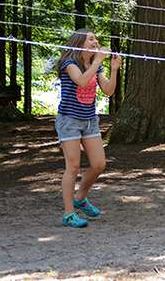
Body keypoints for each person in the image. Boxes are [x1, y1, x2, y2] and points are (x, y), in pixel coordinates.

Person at [55, 29, 121, 228]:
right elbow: (82, 82)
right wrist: (98, 62)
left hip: (89, 120)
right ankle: (68, 214)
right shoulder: (69, 63)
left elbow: (108, 91)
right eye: (90, 39)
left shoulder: (95, 65)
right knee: (73, 167)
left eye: (96, 39)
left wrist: (114, 69)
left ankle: (80, 198)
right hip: (69, 120)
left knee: (99, 164)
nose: (95, 41)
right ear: (79, 43)